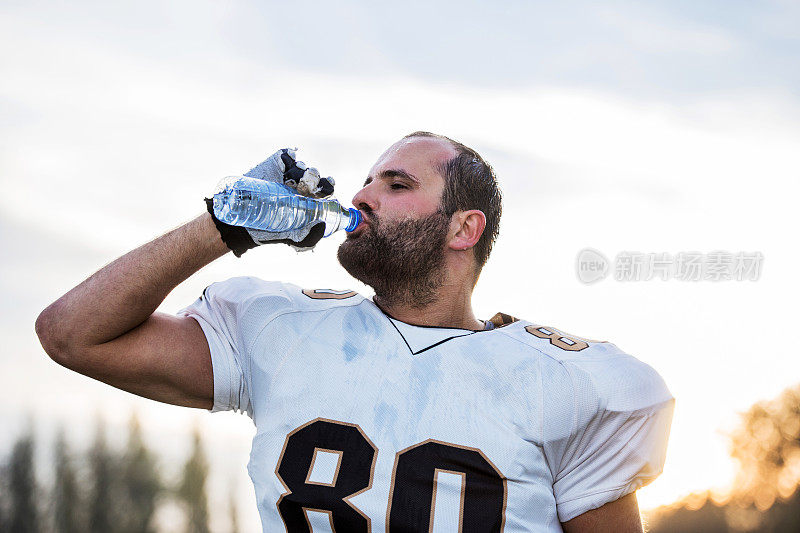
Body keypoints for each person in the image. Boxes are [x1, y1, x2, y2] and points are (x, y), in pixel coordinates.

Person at [36, 132, 674, 532]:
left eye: (397, 185)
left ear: (464, 228)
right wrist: (221, 226)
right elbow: (71, 334)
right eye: (367, 180)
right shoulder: (284, 328)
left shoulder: (566, 380)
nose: (364, 196)